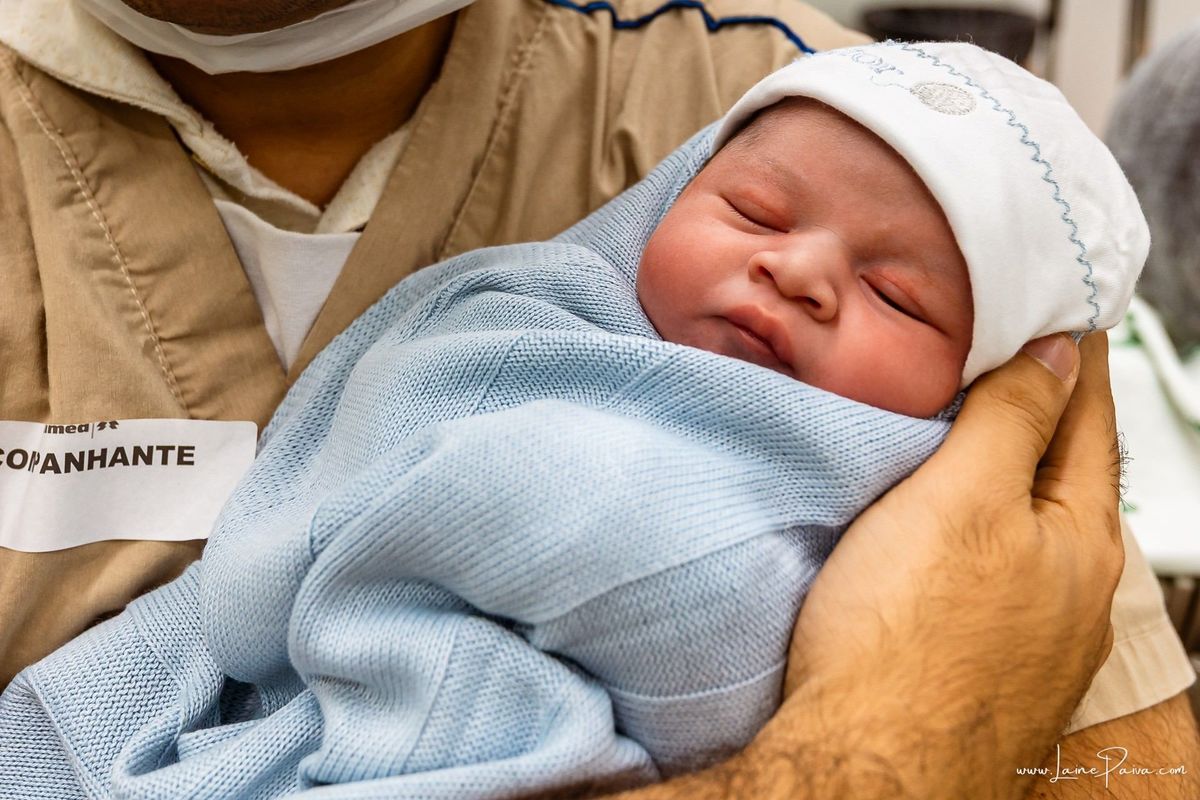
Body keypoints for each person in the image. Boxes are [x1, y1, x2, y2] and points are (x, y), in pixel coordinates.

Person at [0, 0, 1194, 796]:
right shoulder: (513, 323)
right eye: (759, 218)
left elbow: (1127, 763)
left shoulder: (872, 111)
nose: (797, 270)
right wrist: (880, 746)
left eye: (894, 290)